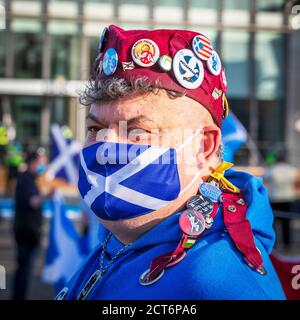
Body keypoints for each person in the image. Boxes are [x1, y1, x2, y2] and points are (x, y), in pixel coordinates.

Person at [56, 25, 285, 300]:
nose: (107, 148)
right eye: (95, 129)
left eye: (136, 131)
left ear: (205, 146)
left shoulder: (220, 283)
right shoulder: (115, 241)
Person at [12, 148, 50, 300]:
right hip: (25, 232)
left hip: (27, 231)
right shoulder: (26, 179)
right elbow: (33, 202)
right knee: (24, 269)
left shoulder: (29, 179)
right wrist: (46, 195)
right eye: (41, 163)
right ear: (33, 162)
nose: (43, 167)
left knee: (24, 269)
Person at [263, 154, 300, 247]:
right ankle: (287, 242)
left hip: (274, 198)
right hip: (288, 198)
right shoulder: (292, 170)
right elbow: (297, 182)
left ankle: (274, 242)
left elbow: (264, 182)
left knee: (273, 222)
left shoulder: (271, 169)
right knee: (286, 222)